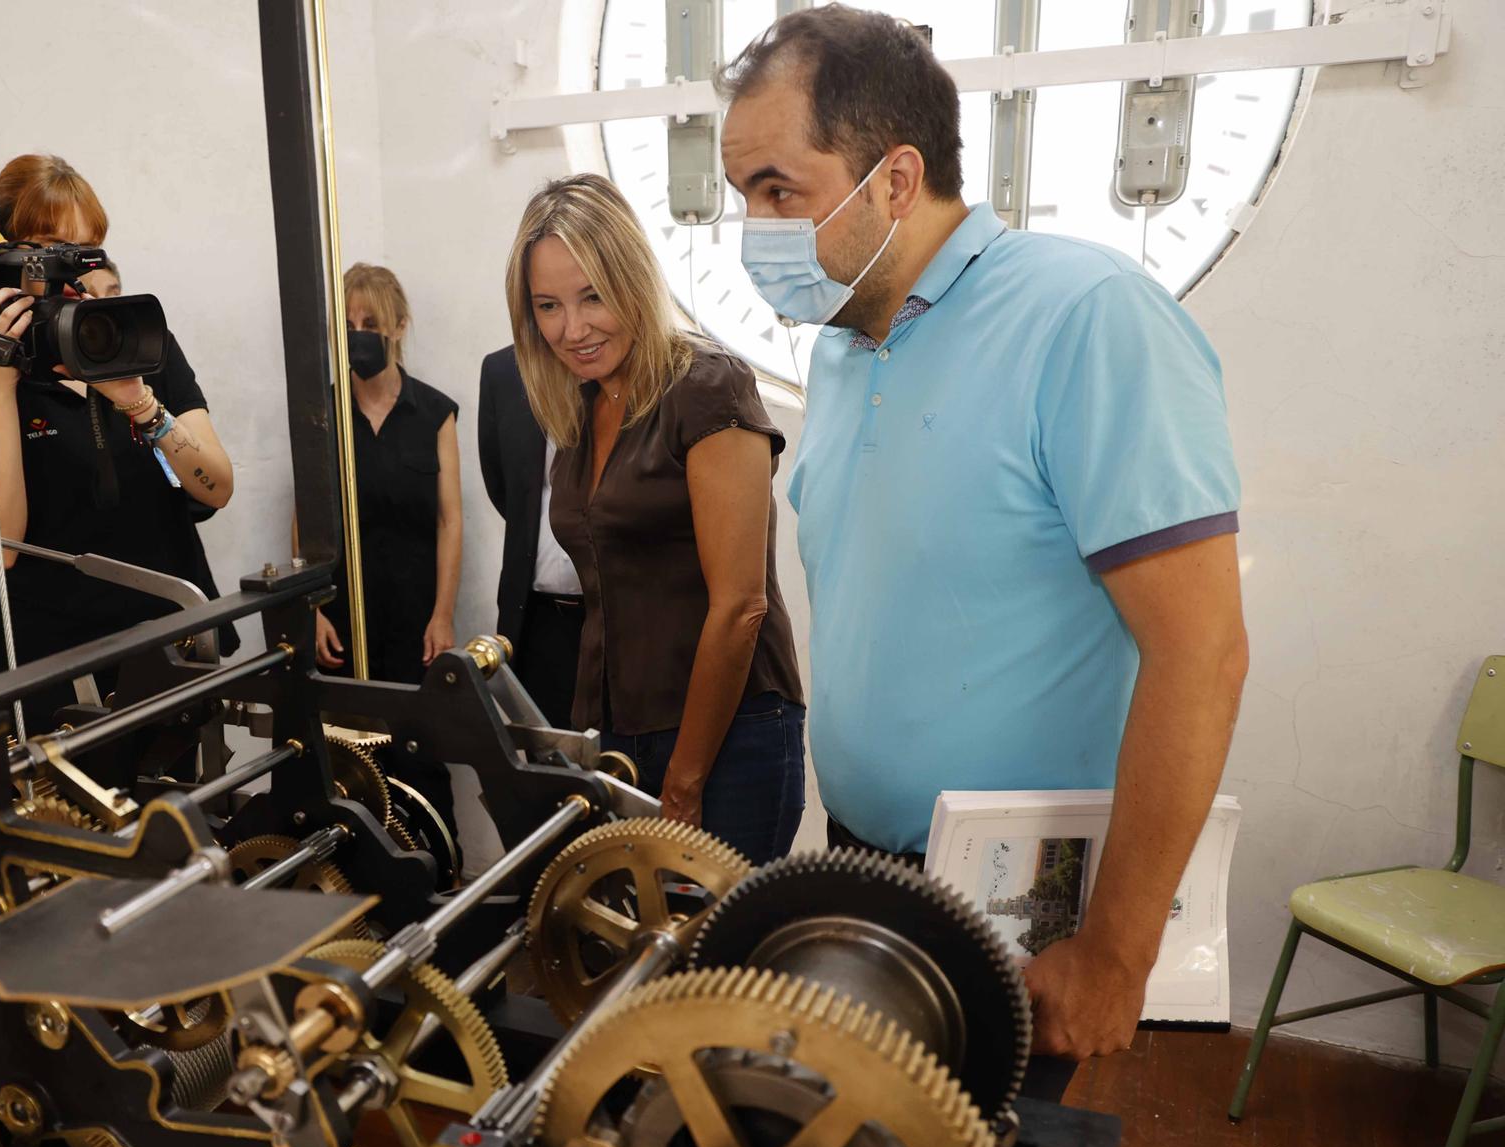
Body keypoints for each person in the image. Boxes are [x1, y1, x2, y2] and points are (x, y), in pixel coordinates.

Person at [718, 6, 1248, 1060]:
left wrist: (1114, 952)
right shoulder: (840, 350)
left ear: (896, 180)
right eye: (743, 197)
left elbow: (1200, 651)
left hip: (1018, 887)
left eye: (780, 190)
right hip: (861, 853)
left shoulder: (1085, 318)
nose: (756, 229)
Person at [507, 174, 806, 865]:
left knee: (721, 969)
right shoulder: (579, 409)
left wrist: (686, 776)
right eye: (547, 305)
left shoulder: (707, 386)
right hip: (617, 735)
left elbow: (740, 605)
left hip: (731, 735)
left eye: (592, 296)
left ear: (632, 279)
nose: (571, 329)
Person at [0, 154, 236, 730]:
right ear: (5, 260)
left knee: (191, 816)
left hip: (175, 638)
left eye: (86, 247)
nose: (74, 270)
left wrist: (138, 400)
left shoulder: (136, 340)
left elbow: (215, 488)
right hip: (58, 671)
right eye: (51, 249)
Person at [313, 263, 464, 685]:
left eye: (371, 322)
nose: (358, 333)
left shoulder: (436, 414)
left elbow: (449, 521)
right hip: (340, 620)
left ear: (398, 328)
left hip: (416, 619)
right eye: (348, 324)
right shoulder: (323, 412)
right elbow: (306, 519)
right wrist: (314, 612)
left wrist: (443, 615)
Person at [477, 343, 582, 726]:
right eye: (546, 304)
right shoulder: (503, 369)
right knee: (547, 763)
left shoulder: (629, 359)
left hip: (615, 619)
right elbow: (502, 485)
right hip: (535, 616)